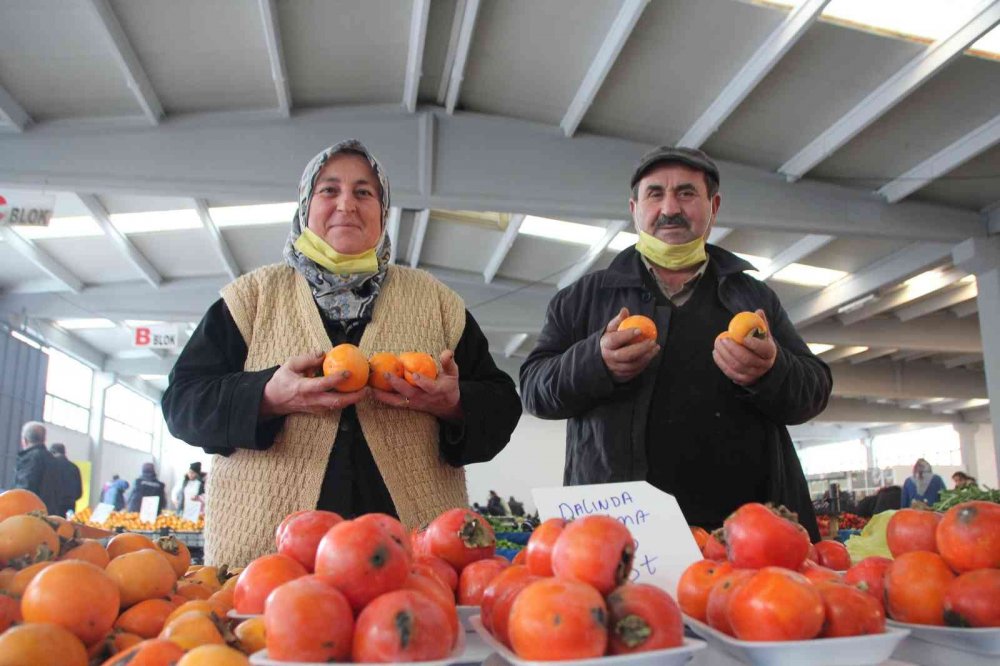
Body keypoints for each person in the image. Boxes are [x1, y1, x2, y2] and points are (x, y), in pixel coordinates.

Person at [162, 139, 522, 566]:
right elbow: (182, 403)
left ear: (383, 211)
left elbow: (503, 406)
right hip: (268, 563)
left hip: (409, 562)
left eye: (364, 192)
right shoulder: (251, 299)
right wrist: (267, 396)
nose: (346, 204)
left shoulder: (437, 303)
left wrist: (455, 404)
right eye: (329, 190)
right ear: (305, 205)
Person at [520, 146, 830, 541]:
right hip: (625, 533)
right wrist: (595, 361)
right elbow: (534, 389)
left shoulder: (753, 297)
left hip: (745, 531)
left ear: (713, 206)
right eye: (655, 194)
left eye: (686, 193)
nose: (670, 208)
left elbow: (814, 391)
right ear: (634, 209)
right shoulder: (583, 298)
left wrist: (772, 370)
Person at [13, 421, 59, 512]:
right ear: (44, 439)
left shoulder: (30, 459)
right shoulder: (53, 460)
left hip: (29, 513)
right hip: (49, 513)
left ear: (25, 440)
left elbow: (23, 490)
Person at [47, 443, 83, 517]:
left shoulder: (51, 466)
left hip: (54, 507)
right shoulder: (74, 468)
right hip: (70, 507)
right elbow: (79, 493)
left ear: (53, 452)